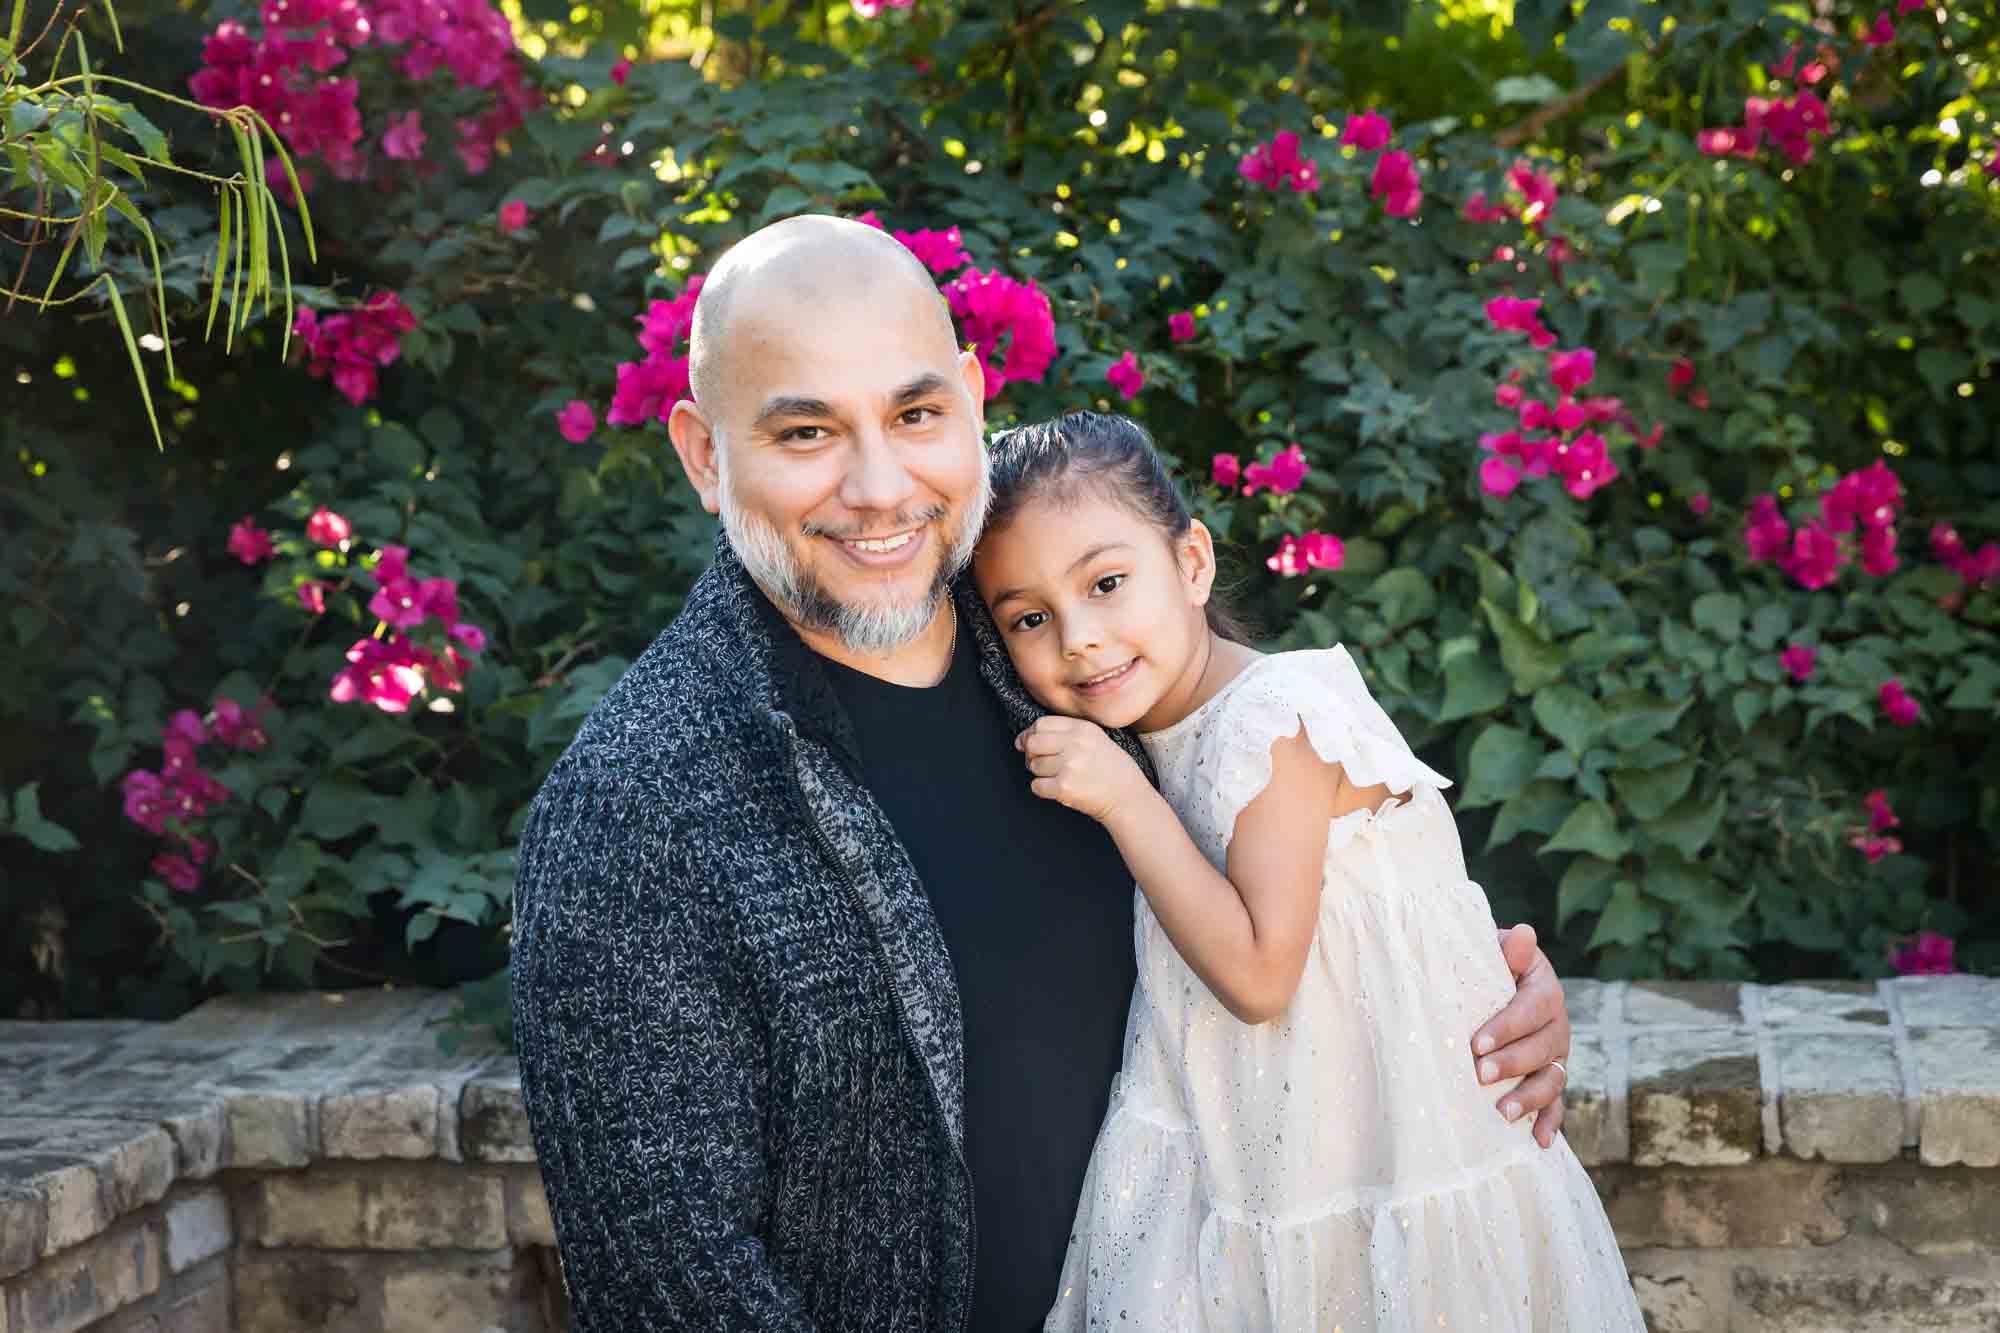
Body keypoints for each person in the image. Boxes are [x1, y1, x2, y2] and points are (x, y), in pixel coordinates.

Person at [509, 215, 1579, 1332]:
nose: (879, 487)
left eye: (914, 413)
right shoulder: (635, 807)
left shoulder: (1076, 656)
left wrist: (1474, 1002)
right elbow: (671, 1285)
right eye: (806, 433)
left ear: (971, 402)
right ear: (701, 455)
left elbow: (1303, 895)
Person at [971, 411, 1640, 1330]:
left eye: (1109, 582)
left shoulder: (1271, 717)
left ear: (1193, 564)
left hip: (1386, 1163)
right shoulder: (1165, 742)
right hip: (1272, 1167)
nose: (1079, 637)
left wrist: (1126, 800)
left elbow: (1259, 975)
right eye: (1032, 618)